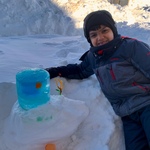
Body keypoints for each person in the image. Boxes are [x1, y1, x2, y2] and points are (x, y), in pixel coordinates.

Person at [45, 10, 150, 150]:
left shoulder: (131, 47)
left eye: (104, 31)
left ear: (113, 30)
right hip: (128, 115)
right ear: (89, 39)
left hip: (146, 104)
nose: (100, 37)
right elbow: (80, 71)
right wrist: (54, 72)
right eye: (93, 35)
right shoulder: (93, 57)